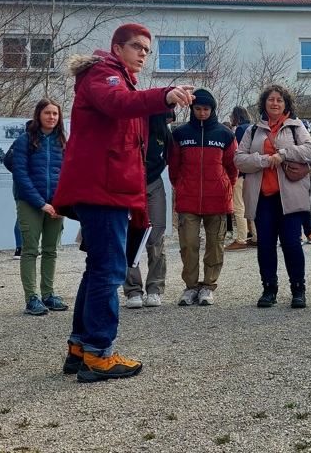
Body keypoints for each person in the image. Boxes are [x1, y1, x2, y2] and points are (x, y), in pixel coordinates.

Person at [53, 23, 194, 383]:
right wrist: (164, 96)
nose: (143, 53)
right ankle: (99, 354)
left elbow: (132, 146)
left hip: (109, 188)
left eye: (147, 48)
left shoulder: (117, 77)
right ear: (117, 48)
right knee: (108, 270)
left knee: (99, 267)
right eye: (136, 46)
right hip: (103, 189)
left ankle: (81, 348)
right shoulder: (104, 73)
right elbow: (118, 106)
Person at [235, 84, 311, 309]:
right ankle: (269, 288)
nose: (275, 103)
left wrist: (282, 154)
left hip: (289, 197)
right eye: (271, 99)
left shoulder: (295, 126)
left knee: (292, 243)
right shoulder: (253, 129)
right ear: (264, 103)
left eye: (279, 100)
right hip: (263, 197)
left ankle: (298, 289)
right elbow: (239, 159)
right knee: (266, 245)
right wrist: (263, 160)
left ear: (285, 104)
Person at [169, 88, 238, 306]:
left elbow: (232, 167)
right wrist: (180, 187)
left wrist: (224, 187)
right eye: (198, 108)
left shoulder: (225, 134)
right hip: (187, 200)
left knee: (214, 245)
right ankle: (190, 287)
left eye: (206, 109)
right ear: (191, 109)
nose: (202, 113)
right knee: (188, 245)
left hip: (217, 200)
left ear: (213, 109)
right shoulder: (180, 134)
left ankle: (208, 286)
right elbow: (174, 166)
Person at [11, 99, 68, 316]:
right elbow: (21, 175)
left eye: (55, 113)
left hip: (57, 205)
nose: (51, 117)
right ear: (39, 115)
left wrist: (61, 203)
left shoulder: (63, 141)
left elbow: (69, 175)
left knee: (51, 250)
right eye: (47, 113)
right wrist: (41, 203)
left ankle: (48, 294)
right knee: (30, 250)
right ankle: (31, 298)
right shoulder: (24, 140)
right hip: (30, 203)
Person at [123, 110, 175, 309]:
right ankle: (132, 291)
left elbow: (172, 158)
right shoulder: (132, 128)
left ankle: (155, 288)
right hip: (129, 187)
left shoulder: (164, 133)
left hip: (154, 184)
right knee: (130, 237)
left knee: (156, 239)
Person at [226, 106, 255, 250]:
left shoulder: (240, 130)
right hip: (251, 173)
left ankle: (242, 239)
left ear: (236, 115)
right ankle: (256, 237)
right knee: (250, 206)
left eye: (231, 115)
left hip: (240, 173)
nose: (230, 117)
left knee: (238, 206)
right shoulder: (252, 127)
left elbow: (235, 153)